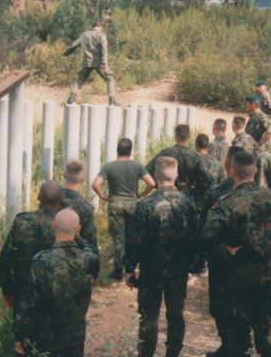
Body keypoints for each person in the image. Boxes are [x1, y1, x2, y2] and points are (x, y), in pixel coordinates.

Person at [202, 151, 271, 357]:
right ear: (256, 169)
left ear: (232, 171)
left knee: (238, 323)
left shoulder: (226, 203)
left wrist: (226, 252)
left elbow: (207, 235)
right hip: (266, 268)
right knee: (263, 317)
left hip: (236, 271)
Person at [124, 157, 198, 357]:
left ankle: (146, 354)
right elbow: (195, 237)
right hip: (178, 270)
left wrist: (129, 268)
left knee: (149, 316)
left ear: (155, 176)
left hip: (151, 269)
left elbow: (134, 240)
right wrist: (192, 265)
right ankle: (173, 353)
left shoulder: (145, 204)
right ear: (176, 175)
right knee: (176, 314)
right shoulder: (188, 203)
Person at [14, 209, 100, 357]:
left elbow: (28, 303)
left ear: (53, 226)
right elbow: (91, 249)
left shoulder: (42, 261)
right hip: (75, 335)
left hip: (45, 337)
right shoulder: (89, 258)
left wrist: (19, 335)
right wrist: (77, 237)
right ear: (78, 229)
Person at [0, 181, 64, 354]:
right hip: (56, 295)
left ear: (39, 198)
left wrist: (7, 289)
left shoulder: (22, 221)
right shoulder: (66, 225)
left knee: (23, 343)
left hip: (22, 293)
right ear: (61, 199)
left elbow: (6, 259)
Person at [92, 138, 155, 279]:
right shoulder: (137, 166)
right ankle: (130, 267)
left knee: (118, 238)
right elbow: (151, 183)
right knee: (132, 236)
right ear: (130, 151)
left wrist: (102, 196)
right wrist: (141, 194)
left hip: (115, 204)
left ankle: (118, 270)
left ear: (117, 150)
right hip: (132, 204)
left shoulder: (109, 166)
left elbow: (95, 184)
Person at [200, 146, 242, 357]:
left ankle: (228, 345)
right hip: (250, 260)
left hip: (220, 260)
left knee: (219, 304)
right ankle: (241, 347)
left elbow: (203, 231)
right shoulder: (265, 195)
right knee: (243, 304)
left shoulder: (215, 194)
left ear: (227, 166)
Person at [146, 124, 214, 203]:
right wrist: (193, 190)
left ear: (175, 137)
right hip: (187, 200)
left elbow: (147, 172)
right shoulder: (195, 158)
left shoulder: (165, 153)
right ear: (189, 137)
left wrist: (159, 185)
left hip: (165, 199)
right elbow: (208, 180)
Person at [64, 19, 119, 105]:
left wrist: (67, 52)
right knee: (110, 78)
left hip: (87, 62)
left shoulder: (84, 35)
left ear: (93, 26)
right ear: (100, 27)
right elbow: (104, 48)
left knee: (80, 79)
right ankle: (112, 99)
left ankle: (71, 98)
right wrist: (104, 61)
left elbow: (74, 45)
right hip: (99, 63)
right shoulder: (101, 34)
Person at [61, 160, 98, 253]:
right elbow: (90, 243)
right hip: (74, 258)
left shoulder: (51, 199)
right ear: (82, 179)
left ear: (64, 175)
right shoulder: (85, 208)